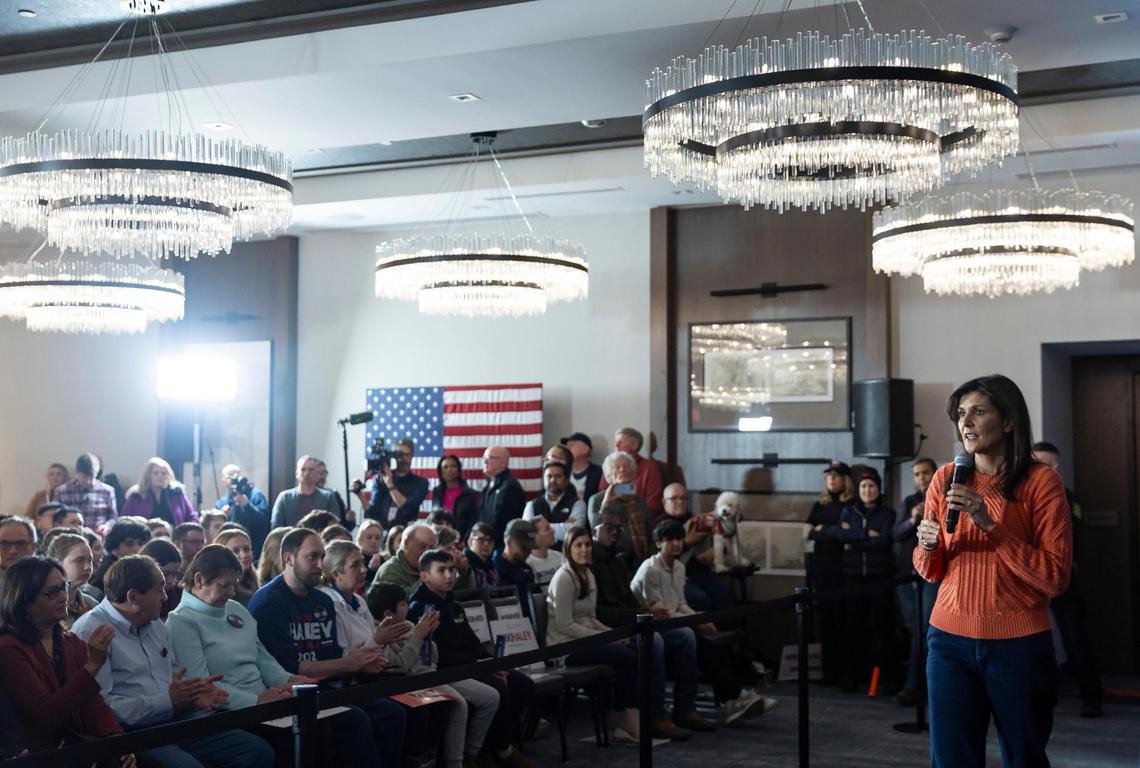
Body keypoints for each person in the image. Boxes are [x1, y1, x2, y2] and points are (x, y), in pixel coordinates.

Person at [916, 375, 1072, 768]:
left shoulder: (1041, 482)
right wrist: (928, 544)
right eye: (961, 413)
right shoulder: (945, 477)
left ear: (1008, 422)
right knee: (952, 760)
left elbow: (1055, 576)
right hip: (948, 641)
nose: (965, 422)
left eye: (979, 412)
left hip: (1018, 644)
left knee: (1024, 757)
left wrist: (990, 525)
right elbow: (929, 570)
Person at [167, 546, 383, 767]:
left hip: (267, 701)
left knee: (333, 722)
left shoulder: (235, 609)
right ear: (200, 580)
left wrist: (288, 680)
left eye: (234, 584)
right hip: (229, 711)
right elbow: (204, 688)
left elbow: (262, 657)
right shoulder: (182, 622)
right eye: (224, 585)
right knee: (299, 735)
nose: (232, 592)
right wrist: (257, 701)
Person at [73, 555, 275, 768]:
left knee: (257, 751)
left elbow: (175, 675)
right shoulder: (92, 631)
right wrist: (168, 700)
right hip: (133, 734)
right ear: (133, 597)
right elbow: (103, 708)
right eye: (159, 589)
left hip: (176, 722)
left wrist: (195, 693)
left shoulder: (155, 626)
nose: (165, 595)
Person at [247, 530, 407, 766]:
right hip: (289, 695)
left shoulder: (322, 601)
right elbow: (286, 668)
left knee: (394, 713)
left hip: (329, 689)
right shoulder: (268, 603)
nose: (320, 564)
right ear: (288, 558)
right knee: (356, 721)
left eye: (322, 557)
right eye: (312, 557)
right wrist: (348, 663)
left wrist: (360, 663)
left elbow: (330, 655)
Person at [632, 520, 775, 724]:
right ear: (658, 544)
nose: (675, 544)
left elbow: (680, 604)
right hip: (650, 625)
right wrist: (695, 622)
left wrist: (698, 618)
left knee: (709, 639)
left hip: (674, 621)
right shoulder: (650, 570)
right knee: (692, 637)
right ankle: (730, 697)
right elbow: (662, 613)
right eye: (669, 540)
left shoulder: (679, 567)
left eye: (678, 539)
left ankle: (730, 696)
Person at [407, 549, 536, 768]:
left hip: (469, 665)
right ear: (425, 576)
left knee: (523, 684)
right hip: (445, 670)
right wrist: (476, 665)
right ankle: (491, 752)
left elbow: (473, 642)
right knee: (498, 689)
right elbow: (436, 655)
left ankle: (496, 745)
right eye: (442, 570)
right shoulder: (420, 608)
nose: (449, 575)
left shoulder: (453, 603)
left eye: (451, 570)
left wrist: (491, 662)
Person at [0, 555, 133, 763]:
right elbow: (47, 713)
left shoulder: (69, 641)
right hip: (30, 753)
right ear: (24, 600)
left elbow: (91, 703)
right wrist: (92, 666)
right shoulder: (9, 649)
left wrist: (116, 740)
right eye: (52, 592)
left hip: (71, 746)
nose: (63, 597)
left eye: (65, 587)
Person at [367, 581, 500, 768]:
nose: (407, 607)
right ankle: (455, 762)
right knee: (457, 704)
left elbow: (431, 660)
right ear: (388, 614)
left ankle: (472, 753)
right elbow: (402, 666)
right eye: (403, 604)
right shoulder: (378, 633)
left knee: (491, 697)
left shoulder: (408, 625)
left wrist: (428, 637)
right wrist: (419, 636)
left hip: (433, 675)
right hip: (415, 682)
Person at [546, 526, 644, 741]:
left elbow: (591, 618)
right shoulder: (564, 577)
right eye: (578, 545)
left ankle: (623, 713)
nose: (584, 550)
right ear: (568, 549)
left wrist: (613, 634)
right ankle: (621, 714)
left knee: (632, 647)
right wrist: (605, 638)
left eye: (588, 545)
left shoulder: (588, 574)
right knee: (626, 656)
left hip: (584, 639)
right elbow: (565, 625)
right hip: (564, 646)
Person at [1032, 441, 1103, 718]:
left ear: (1055, 469)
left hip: (1061, 578)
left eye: (1045, 466)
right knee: (1030, 639)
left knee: (1075, 637)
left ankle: (1091, 697)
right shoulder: (1022, 495)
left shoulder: (1068, 499)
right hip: (1030, 577)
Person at [829, 467, 897, 693]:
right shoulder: (848, 512)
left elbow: (885, 541)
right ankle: (854, 675)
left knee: (883, 627)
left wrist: (854, 537)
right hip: (853, 577)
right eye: (864, 486)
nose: (868, 490)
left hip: (880, 577)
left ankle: (887, 678)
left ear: (878, 489)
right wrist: (867, 534)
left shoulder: (887, 513)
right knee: (854, 627)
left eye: (872, 486)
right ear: (858, 489)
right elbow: (839, 535)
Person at [893, 458, 940, 707]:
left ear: (935, 473)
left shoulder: (943, 499)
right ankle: (918, 684)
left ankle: (916, 686)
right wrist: (912, 520)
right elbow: (896, 534)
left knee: (924, 631)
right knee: (914, 631)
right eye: (917, 474)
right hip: (905, 574)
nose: (921, 478)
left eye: (925, 473)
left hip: (930, 575)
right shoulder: (909, 502)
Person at [804, 460, 853, 686]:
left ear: (846, 479)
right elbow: (808, 534)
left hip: (842, 569)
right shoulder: (819, 505)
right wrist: (830, 531)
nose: (832, 479)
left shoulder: (851, 504)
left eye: (837, 475)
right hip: (820, 568)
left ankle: (844, 672)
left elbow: (847, 535)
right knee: (824, 622)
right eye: (829, 475)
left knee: (843, 621)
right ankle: (827, 672)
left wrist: (823, 530)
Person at [659, 483, 732, 612]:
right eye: (674, 498)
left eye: (684, 498)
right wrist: (687, 543)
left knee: (725, 595)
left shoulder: (697, 519)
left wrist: (716, 550)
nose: (680, 502)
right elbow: (660, 556)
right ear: (664, 502)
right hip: (674, 578)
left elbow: (718, 539)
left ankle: (722, 630)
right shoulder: (660, 524)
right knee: (700, 599)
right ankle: (703, 630)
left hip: (701, 571)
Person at [587, 450, 652, 563]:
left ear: (633, 474)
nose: (622, 470)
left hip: (641, 560)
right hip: (612, 560)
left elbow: (649, 533)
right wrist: (606, 503)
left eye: (626, 467)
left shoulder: (639, 501)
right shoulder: (597, 499)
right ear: (609, 475)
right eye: (617, 467)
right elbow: (595, 529)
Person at [597, 428, 665, 521]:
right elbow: (602, 493)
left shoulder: (649, 467)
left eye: (621, 441)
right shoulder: (609, 465)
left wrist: (634, 517)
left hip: (640, 518)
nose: (616, 445)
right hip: (611, 518)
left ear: (635, 445)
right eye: (616, 441)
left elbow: (653, 503)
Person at [367, 440, 430, 528]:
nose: (403, 458)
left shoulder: (421, 482)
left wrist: (390, 484)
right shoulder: (380, 479)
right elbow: (373, 511)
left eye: (407, 455)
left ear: (412, 456)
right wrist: (359, 494)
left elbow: (408, 507)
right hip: (381, 531)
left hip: (406, 532)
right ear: (393, 456)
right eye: (399, 454)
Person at [214, 465, 270, 562]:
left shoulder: (256, 495)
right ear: (223, 481)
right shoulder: (221, 503)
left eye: (237, 474)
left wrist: (247, 505)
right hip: (229, 555)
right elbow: (215, 532)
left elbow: (264, 521)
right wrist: (222, 516)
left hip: (255, 551)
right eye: (230, 476)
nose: (234, 478)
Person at [121, 457, 198, 527]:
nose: (160, 476)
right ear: (148, 475)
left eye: (163, 473)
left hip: (173, 538)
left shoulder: (177, 493)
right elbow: (124, 520)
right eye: (156, 473)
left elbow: (191, 516)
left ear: (168, 476)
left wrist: (187, 532)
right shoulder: (136, 495)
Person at [523, 461, 586, 545]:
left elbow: (574, 533)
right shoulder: (531, 505)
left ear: (566, 480)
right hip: (537, 555)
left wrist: (538, 529)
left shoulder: (578, 504)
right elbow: (527, 531)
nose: (553, 480)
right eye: (549, 476)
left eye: (558, 476)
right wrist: (564, 526)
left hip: (565, 554)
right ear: (543, 479)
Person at [52, 453, 118, 532]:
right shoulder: (62, 491)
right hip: (70, 537)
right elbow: (54, 517)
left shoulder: (107, 491)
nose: (88, 481)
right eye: (84, 477)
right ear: (77, 473)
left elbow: (113, 517)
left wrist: (106, 526)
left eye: (92, 476)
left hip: (97, 537)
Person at [46, 533, 99, 628]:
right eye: (79, 561)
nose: (87, 567)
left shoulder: (92, 605)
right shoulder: (45, 605)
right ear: (57, 563)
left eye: (90, 560)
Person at [270, 456, 340, 528]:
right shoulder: (284, 498)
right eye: (303, 469)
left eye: (311, 469)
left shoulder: (328, 497)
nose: (307, 473)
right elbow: (276, 526)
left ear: (317, 473)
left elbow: (334, 526)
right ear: (297, 473)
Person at [370, 522, 437, 597]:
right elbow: (403, 602)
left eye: (431, 548)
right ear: (406, 544)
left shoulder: (427, 567)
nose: (427, 553)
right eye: (422, 547)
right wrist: (429, 577)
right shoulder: (390, 571)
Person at [89, 518, 151, 593]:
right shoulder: (106, 573)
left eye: (141, 543)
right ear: (115, 548)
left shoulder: (150, 569)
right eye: (129, 544)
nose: (137, 548)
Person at [479, 446, 525, 545]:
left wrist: (483, 539)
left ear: (503, 463)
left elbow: (501, 521)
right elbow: (479, 515)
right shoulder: (487, 487)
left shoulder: (510, 487)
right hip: (485, 541)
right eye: (484, 458)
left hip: (500, 544)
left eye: (490, 458)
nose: (485, 462)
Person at [491, 519, 538, 617]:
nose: (529, 552)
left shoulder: (527, 569)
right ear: (510, 542)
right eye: (524, 548)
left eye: (530, 548)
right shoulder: (492, 569)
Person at [432, 455, 480, 539]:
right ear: (441, 472)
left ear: (458, 470)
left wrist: (466, 539)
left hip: (462, 539)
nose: (450, 470)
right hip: (440, 539)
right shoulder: (436, 492)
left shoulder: (470, 494)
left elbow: (474, 519)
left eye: (453, 466)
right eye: (445, 467)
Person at [140, 537, 184, 619]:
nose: (171, 581)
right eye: (165, 574)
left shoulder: (178, 593)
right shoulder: (139, 596)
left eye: (174, 575)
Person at [214, 529, 259, 606]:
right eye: (235, 551)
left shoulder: (255, 582)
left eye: (246, 549)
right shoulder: (219, 591)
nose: (244, 555)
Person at [561, 433, 603, 502]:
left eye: (571, 445)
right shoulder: (561, 472)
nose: (567, 448)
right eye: (566, 446)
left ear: (585, 449)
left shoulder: (600, 473)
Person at [525, 517, 563, 587]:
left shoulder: (560, 557)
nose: (553, 530)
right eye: (547, 529)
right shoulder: (527, 563)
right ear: (534, 536)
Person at [464, 522, 501, 589]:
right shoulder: (464, 564)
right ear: (470, 541)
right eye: (481, 539)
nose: (486, 544)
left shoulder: (493, 564)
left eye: (490, 540)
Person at [356, 518, 385, 585]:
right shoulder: (355, 560)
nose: (373, 541)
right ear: (360, 539)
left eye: (377, 538)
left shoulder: (384, 561)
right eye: (369, 537)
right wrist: (371, 570)